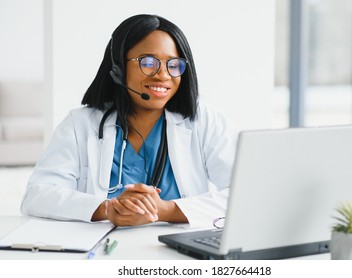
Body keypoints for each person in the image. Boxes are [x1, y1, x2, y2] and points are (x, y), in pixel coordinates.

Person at [20, 14, 238, 228]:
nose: (163, 75)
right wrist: (107, 209)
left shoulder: (205, 121)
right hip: (104, 247)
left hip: (175, 251)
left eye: (173, 64)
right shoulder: (80, 124)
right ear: (118, 67)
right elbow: (37, 195)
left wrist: (164, 210)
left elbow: (242, 195)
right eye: (148, 62)